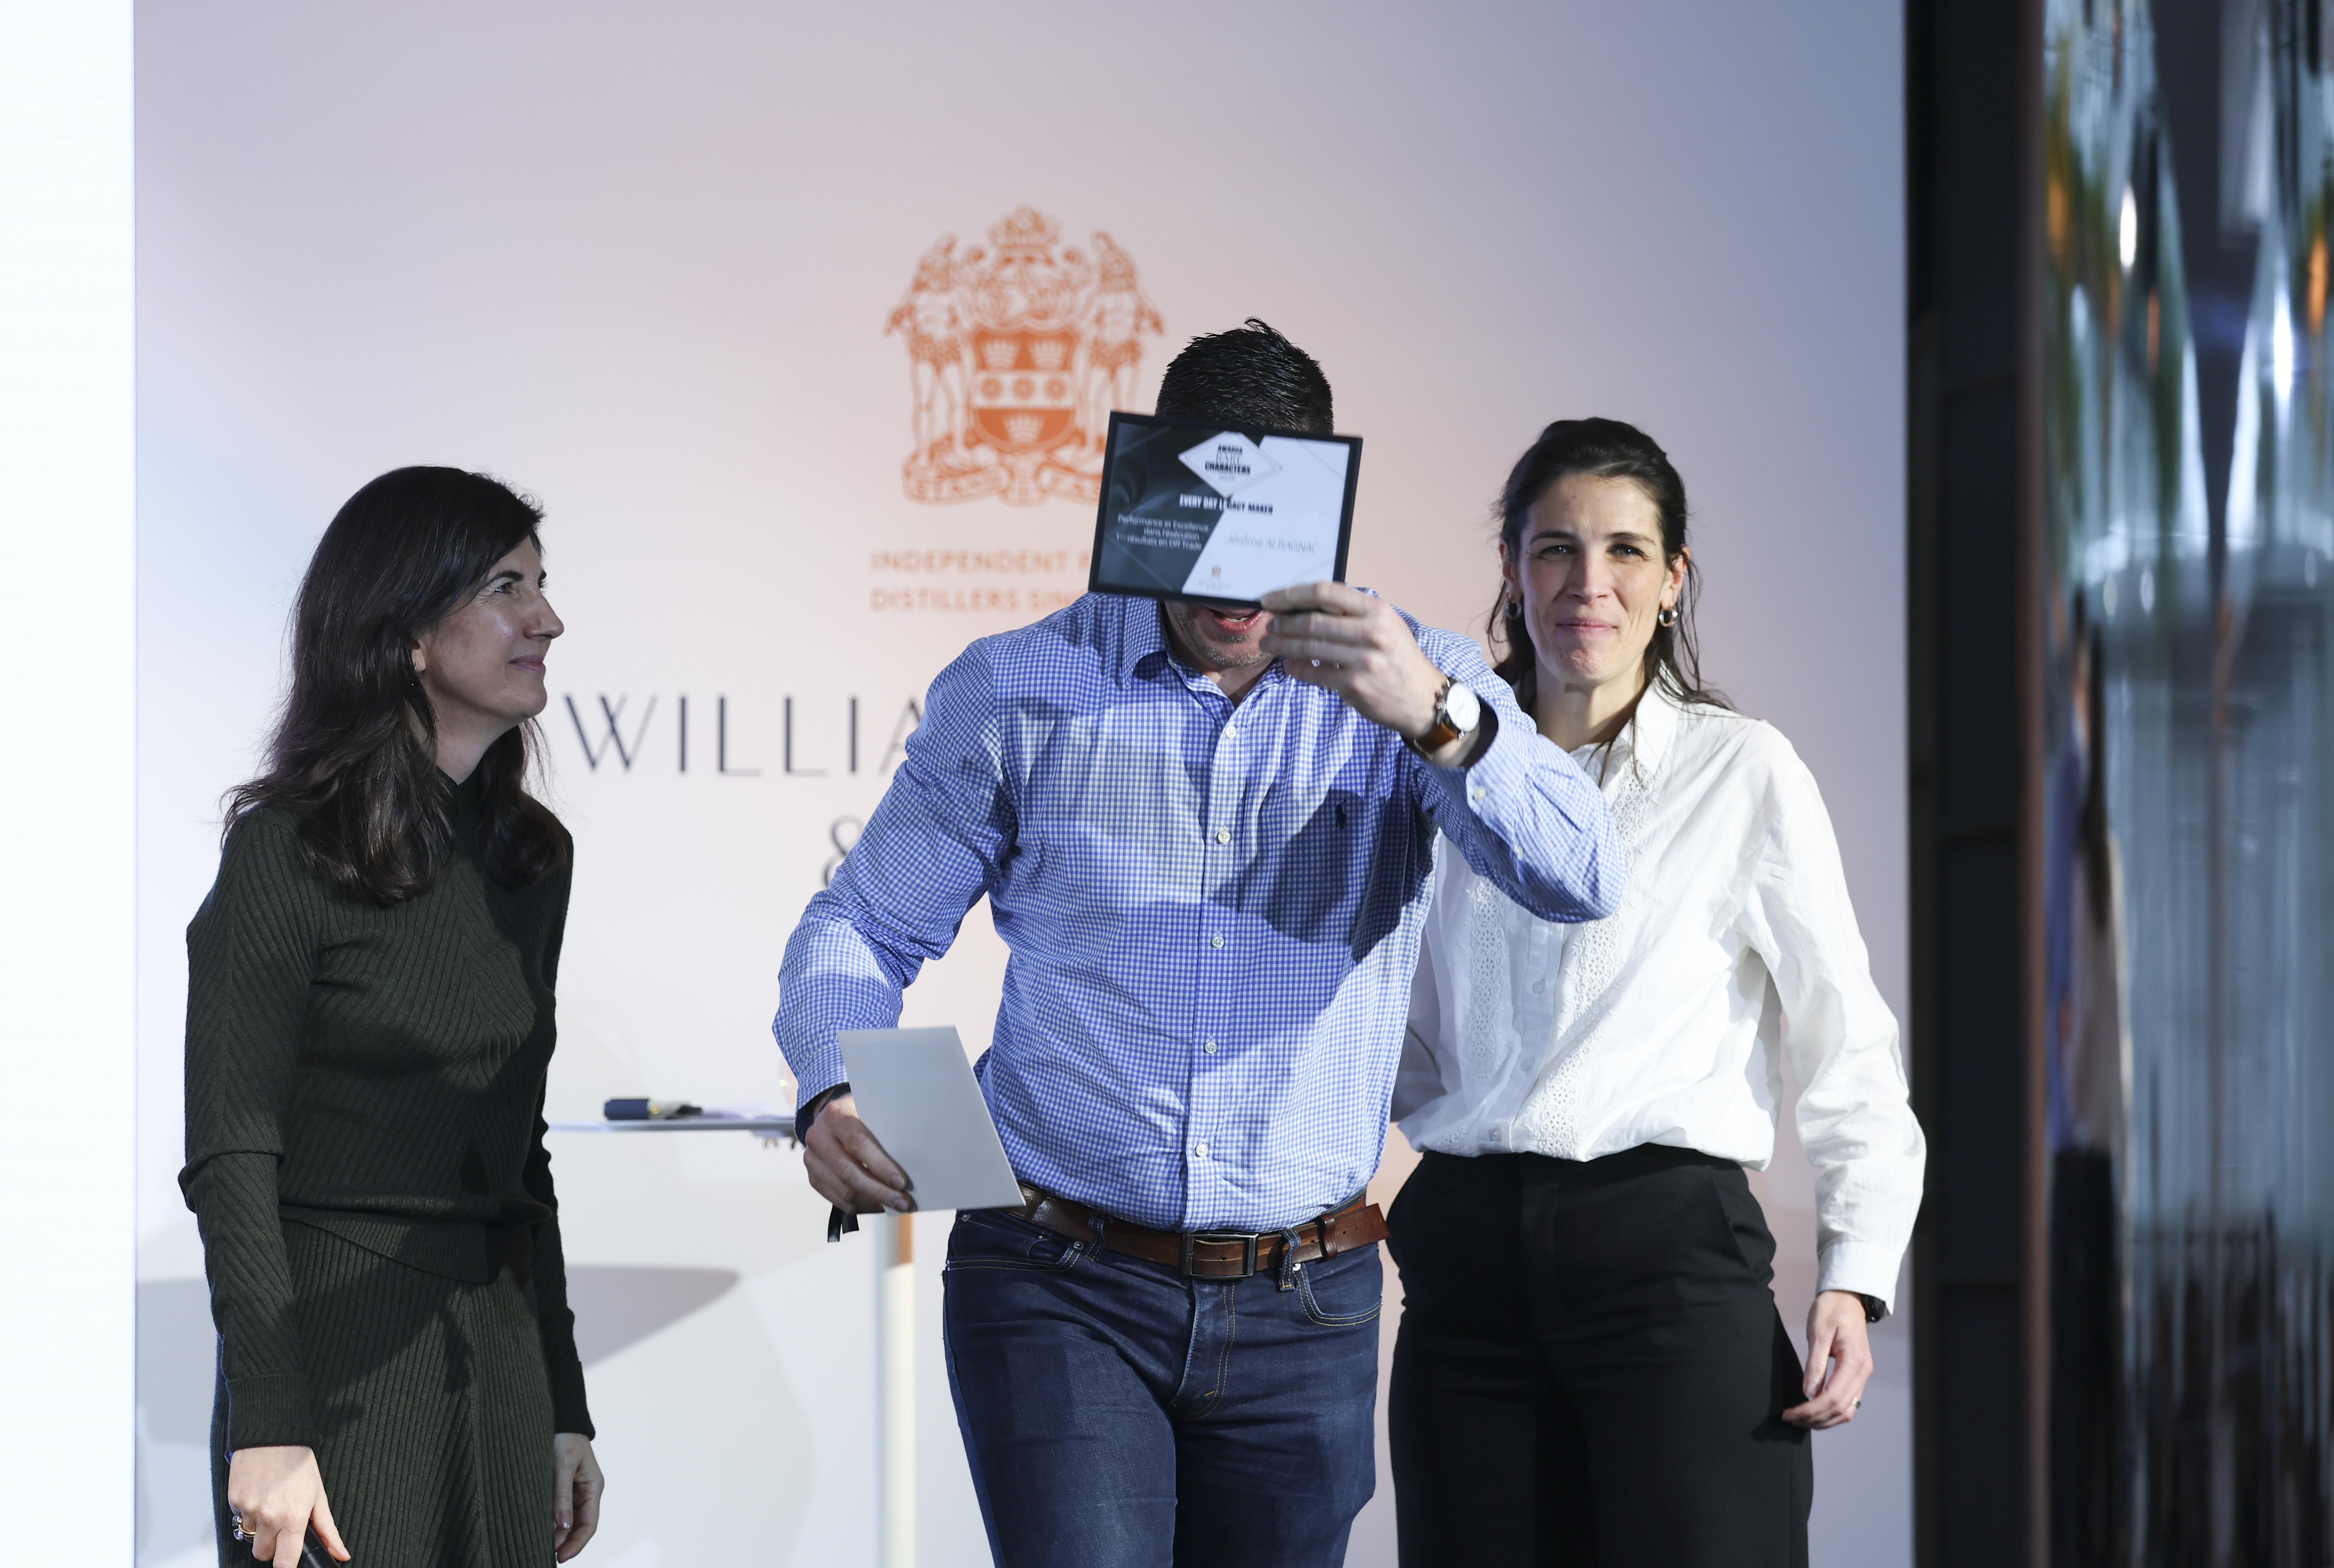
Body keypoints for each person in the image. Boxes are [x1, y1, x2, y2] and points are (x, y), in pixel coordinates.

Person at [775, 321, 1624, 1568]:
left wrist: (1435, 718)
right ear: (1143, 496)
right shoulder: (1020, 686)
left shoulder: (1421, 679)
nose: (1234, 581)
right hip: (1057, 1277)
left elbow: (1581, 878)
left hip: (1306, 1299)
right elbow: (861, 924)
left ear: (1326, 516)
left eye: (1269, 530)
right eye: (1199, 521)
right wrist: (832, 1083)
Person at [1387, 419, 1926, 1567]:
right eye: (1556, 549)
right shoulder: (1431, 771)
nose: (1590, 583)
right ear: (1511, 569)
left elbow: (1847, 1041)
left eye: (1627, 551)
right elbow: (1394, 1020)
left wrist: (1854, 1279)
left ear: (1674, 579)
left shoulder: (1745, 770)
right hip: (1467, 1276)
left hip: (1670, 1270)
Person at [182, 467, 603, 1568]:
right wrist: (270, 1415)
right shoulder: (285, 851)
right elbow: (232, 1151)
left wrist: (564, 1402)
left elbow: (521, 1157)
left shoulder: (533, 860)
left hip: (498, 1361)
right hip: (333, 1365)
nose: (547, 620)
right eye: (508, 588)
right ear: (409, 633)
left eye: (542, 585)